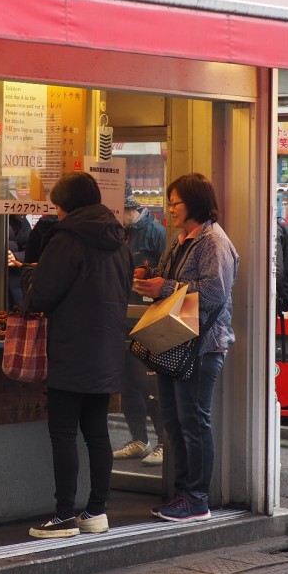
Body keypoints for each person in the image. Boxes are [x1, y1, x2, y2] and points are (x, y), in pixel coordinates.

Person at [22, 172, 133, 539]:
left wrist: (30, 280)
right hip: (107, 349)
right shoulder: (119, 239)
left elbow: (43, 295)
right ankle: (97, 512)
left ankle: (64, 514)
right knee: (97, 433)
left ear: (66, 205)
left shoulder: (66, 239)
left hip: (72, 347)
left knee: (63, 432)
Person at [133, 173, 239, 523]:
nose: (171, 208)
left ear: (193, 202)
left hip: (202, 346)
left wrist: (164, 287)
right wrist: (148, 278)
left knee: (193, 421)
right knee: (174, 422)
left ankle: (196, 499)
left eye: (175, 202)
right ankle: (181, 493)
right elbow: (166, 278)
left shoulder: (213, 241)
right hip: (175, 342)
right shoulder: (181, 239)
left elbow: (213, 294)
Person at [114, 191, 166, 466]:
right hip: (122, 317)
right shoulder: (118, 234)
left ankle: (162, 441)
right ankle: (138, 439)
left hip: (147, 318)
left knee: (150, 384)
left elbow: (169, 275)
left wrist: (149, 276)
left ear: (128, 208)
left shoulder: (156, 233)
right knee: (127, 383)